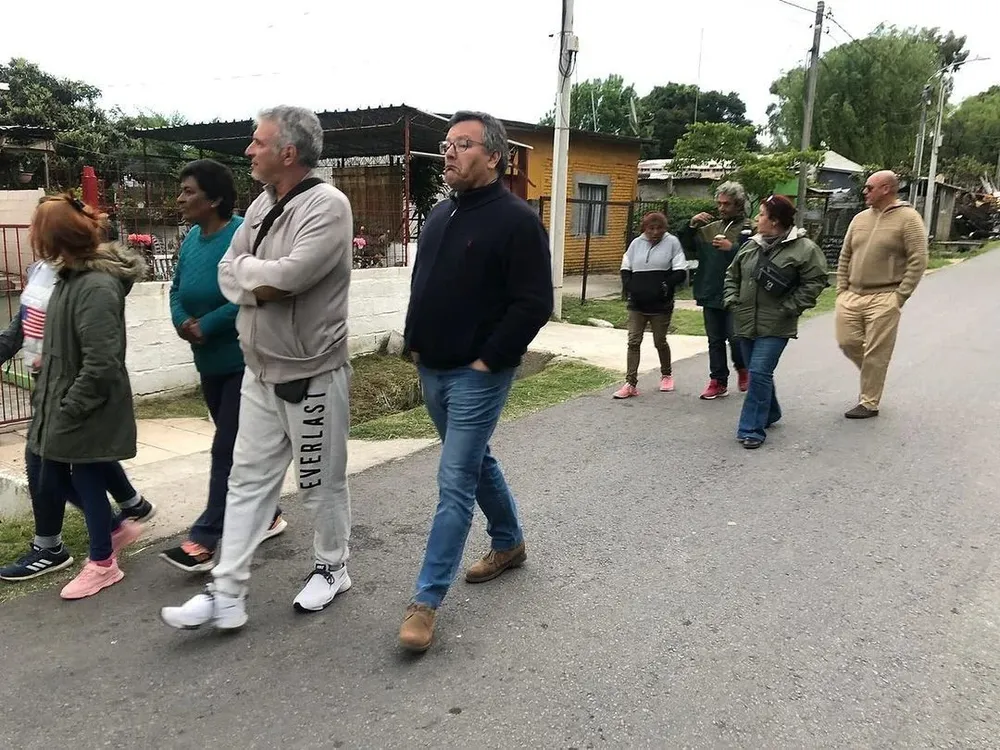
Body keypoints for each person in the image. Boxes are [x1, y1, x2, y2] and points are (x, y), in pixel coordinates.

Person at [161, 105, 353, 631]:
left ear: (287, 153)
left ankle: (333, 567)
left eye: (257, 142)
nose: (248, 150)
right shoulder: (262, 204)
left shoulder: (328, 207)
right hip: (258, 371)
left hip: (311, 374)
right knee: (245, 482)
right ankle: (227, 590)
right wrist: (253, 278)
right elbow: (234, 274)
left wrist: (251, 277)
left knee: (318, 484)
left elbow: (287, 278)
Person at [399, 110, 553, 653]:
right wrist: (412, 340)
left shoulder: (516, 220)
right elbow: (424, 284)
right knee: (476, 459)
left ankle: (425, 601)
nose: (449, 152)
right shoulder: (440, 214)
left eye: (462, 144)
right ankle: (509, 543)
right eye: (447, 143)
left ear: (493, 156)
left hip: (477, 375)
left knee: (455, 477)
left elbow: (535, 301)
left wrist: (490, 360)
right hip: (432, 366)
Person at [159, 159, 286, 573]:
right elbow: (176, 286)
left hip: (242, 358)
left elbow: (251, 290)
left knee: (225, 446)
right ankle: (268, 515)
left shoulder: (240, 234)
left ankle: (206, 536)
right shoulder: (192, 238)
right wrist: (182, 321)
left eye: (189, 191)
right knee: (230, 439)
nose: (180, 198)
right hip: (207, 361)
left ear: (214, 198)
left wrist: (207, 325)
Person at [0, 258, 154, 583]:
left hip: (70, 392)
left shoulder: (88, 280)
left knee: (64, 469)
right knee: (71, 469)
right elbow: (21, 328)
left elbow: (100, 357)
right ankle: (123, 517)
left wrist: (71, 403)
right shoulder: (41, 271)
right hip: (50, 389)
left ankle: (92, 554)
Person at [25, 195, 146, 599]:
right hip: (64, 401)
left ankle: (103, 563)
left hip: (88, 406)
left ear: (55, 236)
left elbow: (101, 364)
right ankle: (114, 529)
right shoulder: (68, 278)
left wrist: (69, 406)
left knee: (87, 477)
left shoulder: (95, 285)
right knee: (52, 477)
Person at [723, 195, 828, 449]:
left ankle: (751, 429)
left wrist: (790, 307)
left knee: (758, 372)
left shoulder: (804, 249)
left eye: (761, 214)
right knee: (759, 373)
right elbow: (732, 275)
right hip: (745, 321)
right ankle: (771, 412)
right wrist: (732, 299)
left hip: (777, 324)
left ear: (775, 221)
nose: (757, 219)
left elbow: (815, 282)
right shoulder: (751, 246)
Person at [835, 170, 927, 419]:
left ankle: (869, 402)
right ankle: (873, 376)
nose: (864, 192)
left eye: (869, 187)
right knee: (847, 341)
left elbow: (918, 260)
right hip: (852, 295)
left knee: (877, 351)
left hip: (885, 295)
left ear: (886, 188)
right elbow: (845, 256)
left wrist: (900, 296)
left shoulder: (908, 218)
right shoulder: (859, 219)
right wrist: (841, 290)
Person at [681, 181, 752, 399]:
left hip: (736, 293)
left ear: (738, 205)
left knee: (736, 337)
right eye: (719, 203)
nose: (721, 208)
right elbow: (686, 247)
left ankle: (743, 368)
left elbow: (754, 259)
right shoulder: (709, 229)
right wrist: (691, 225)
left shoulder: (750, 228)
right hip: (710, 290)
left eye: (727, 204)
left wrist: (733, 249)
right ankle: (718, 381)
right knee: (714, 340)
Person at [612, 211, 687, 398]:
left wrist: (664, 286)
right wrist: (631, 287)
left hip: (660, 304)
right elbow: (625, 267)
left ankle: (666, 374)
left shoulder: (672, 243)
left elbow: (680, 271)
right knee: (633, 341)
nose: (655, 232)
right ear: (644, 228)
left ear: (665, 228)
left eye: (659, 228)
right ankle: (630, 383)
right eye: (650, 228)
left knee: (659, 341)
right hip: (637, 303)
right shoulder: (636, 244)